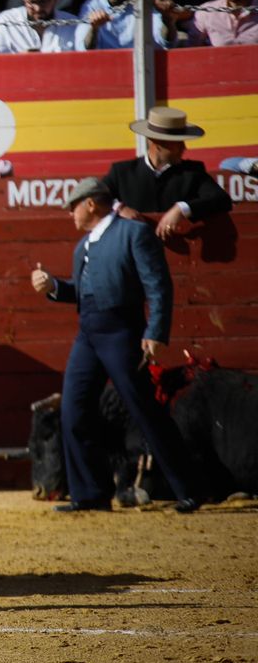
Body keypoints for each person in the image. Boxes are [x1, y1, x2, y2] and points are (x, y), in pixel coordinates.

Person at [28, 176, 202, 513]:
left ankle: (189, 489)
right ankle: (89, 493)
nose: (71, 215)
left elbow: (158, 285)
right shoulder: (82, 247)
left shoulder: (132, 233)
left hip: (122, 332)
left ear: (91, 203)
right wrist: (52, 286)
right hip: (88, 335)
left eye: (73, 207)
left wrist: (155, 331)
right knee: (73, 409)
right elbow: (79, 293)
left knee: (145, 410)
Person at [102, 106, 233, 238]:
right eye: (178, 142)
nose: (184, 147)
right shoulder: (122, 172)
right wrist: (119, 208)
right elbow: (92, 197)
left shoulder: (192, 172)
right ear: (158, 144)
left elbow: (221, 199)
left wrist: (181, 209)